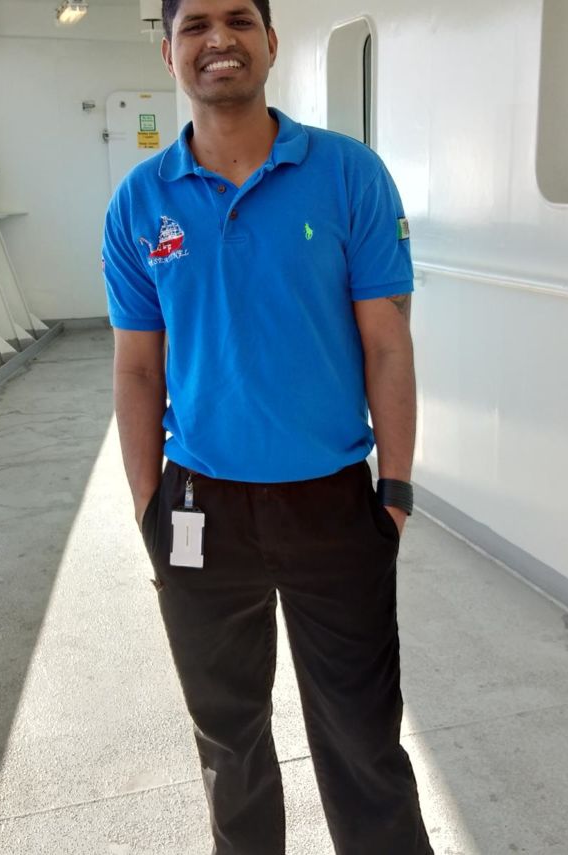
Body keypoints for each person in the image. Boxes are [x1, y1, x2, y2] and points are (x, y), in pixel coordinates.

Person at [102, 0, 434, 852]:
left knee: (362, 737)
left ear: (271, 42)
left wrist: (394, 492)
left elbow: (387, 344)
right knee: (229, 744)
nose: (219, 39)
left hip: (333, 502)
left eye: (239, 20)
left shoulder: (348, 174)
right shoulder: (140, 202)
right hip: (199, 509)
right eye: (195, 25)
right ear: (168, 52)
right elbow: (137, 369)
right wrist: (147, 505)